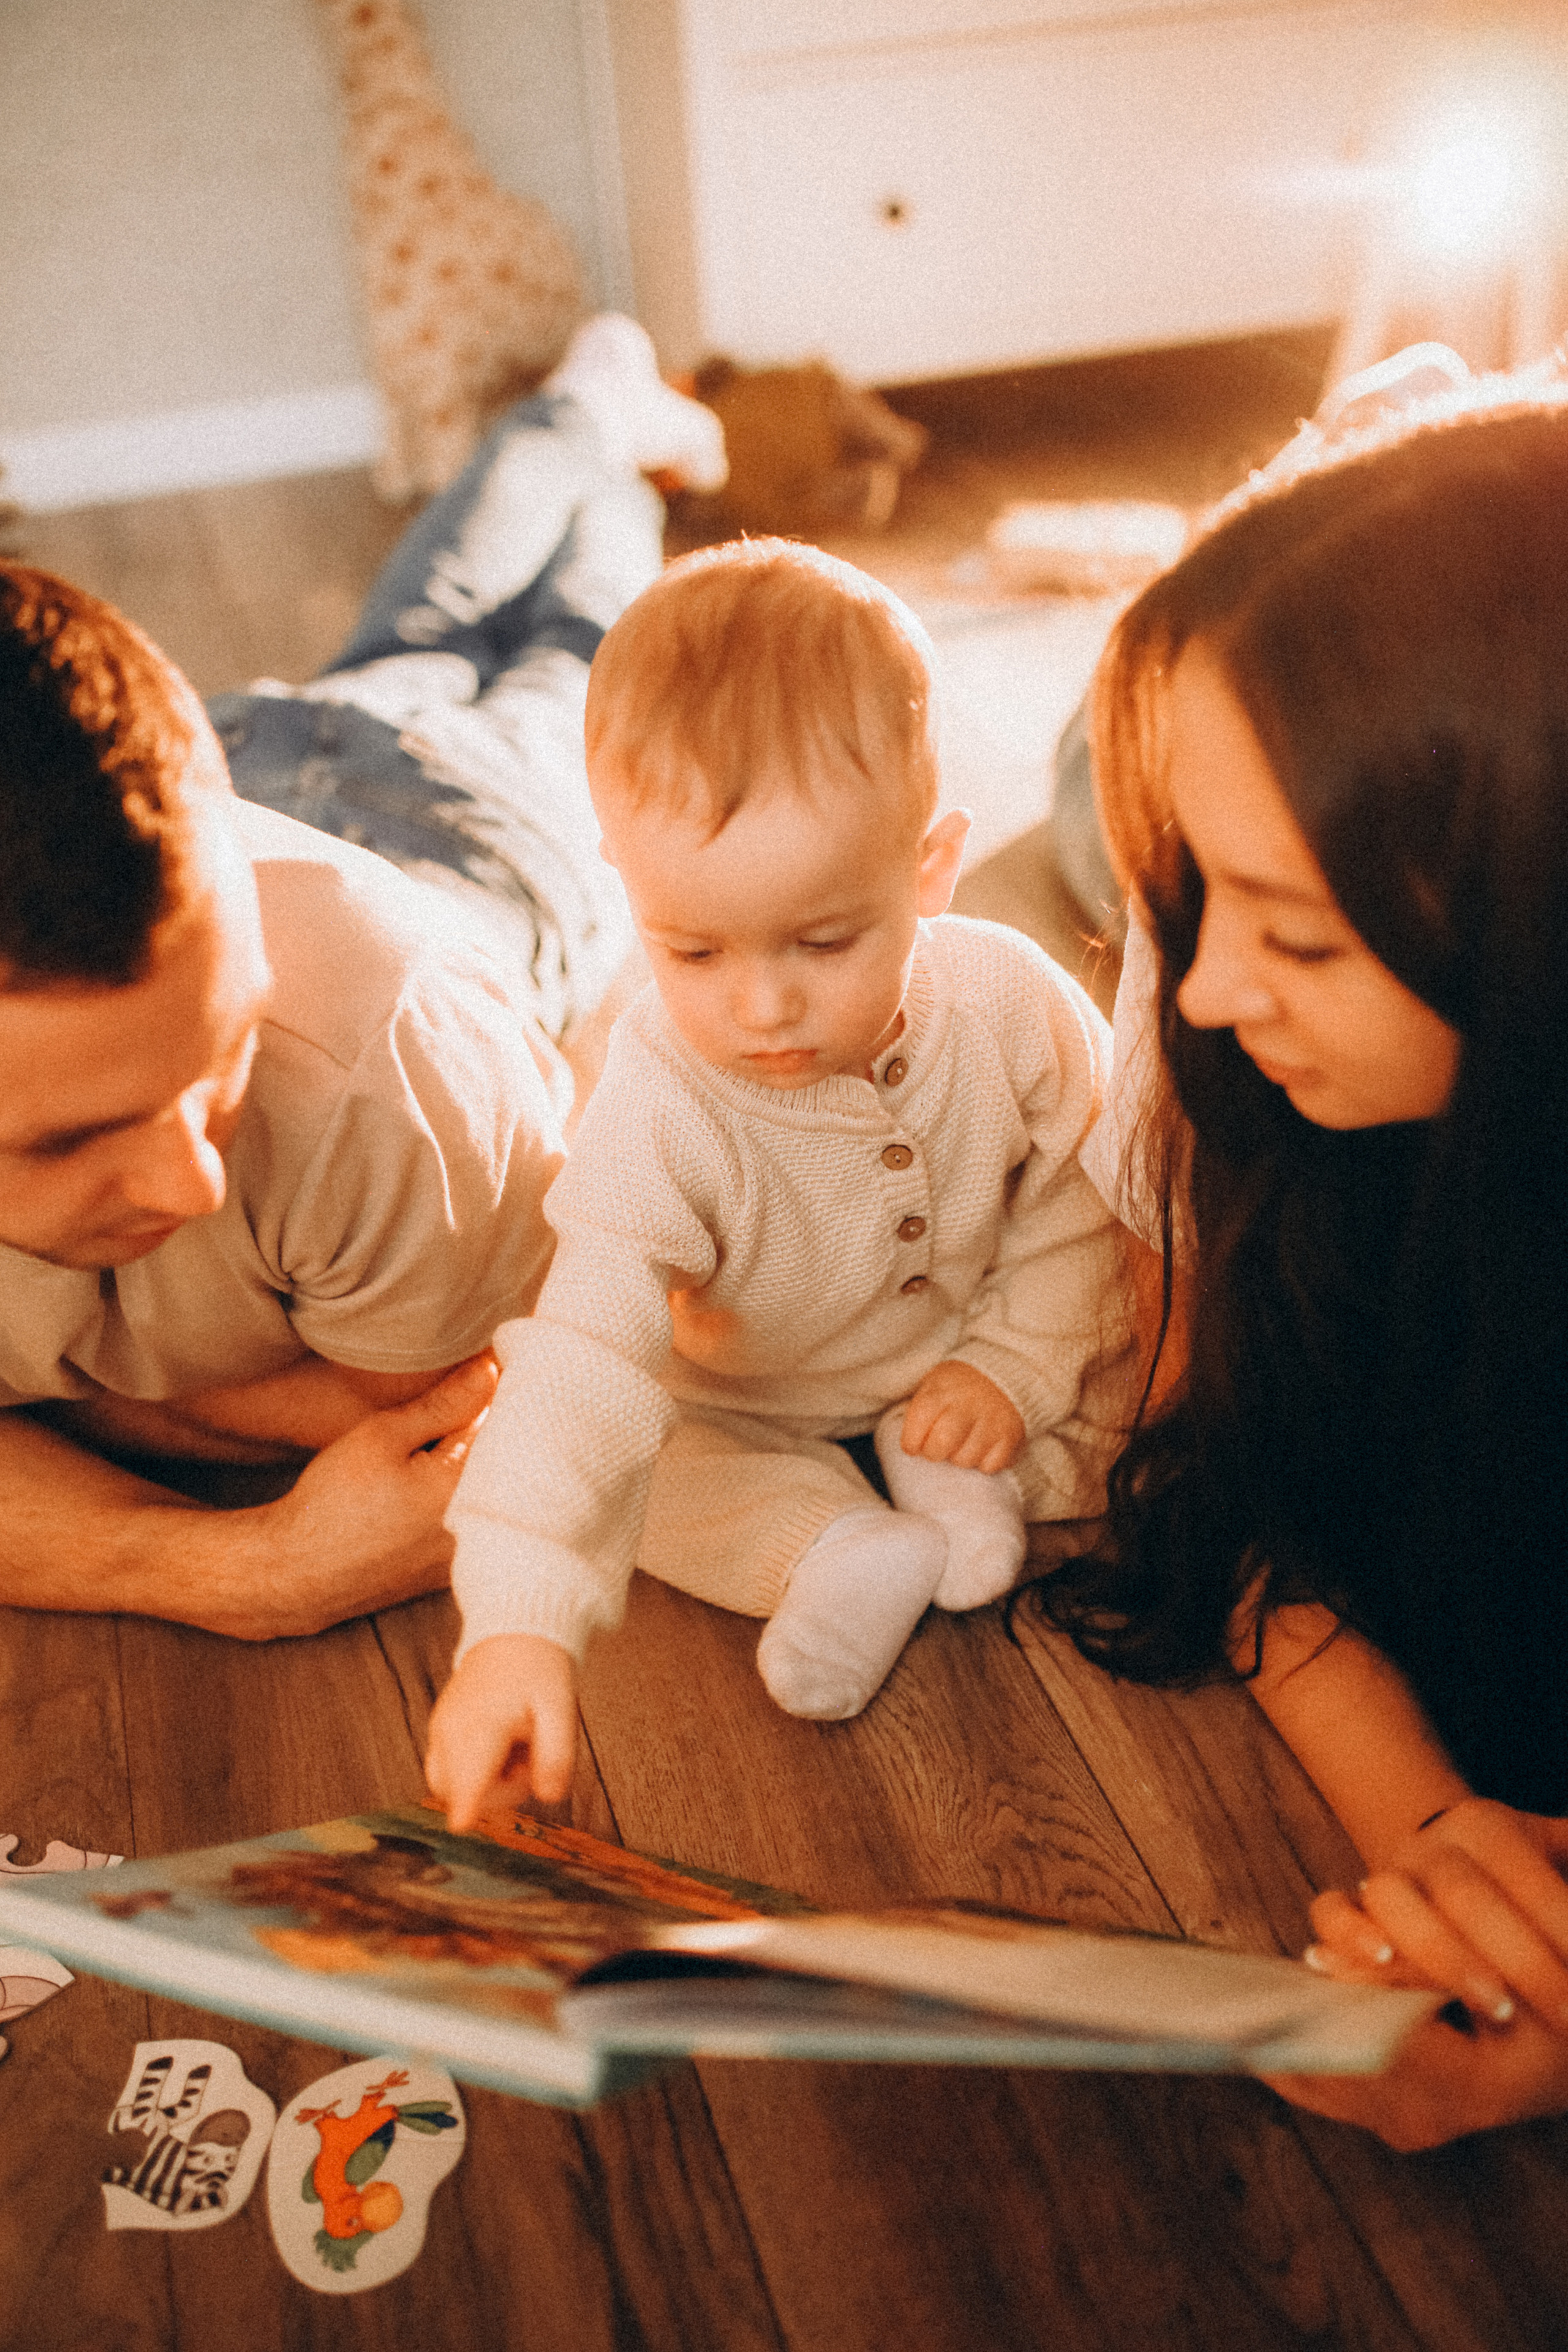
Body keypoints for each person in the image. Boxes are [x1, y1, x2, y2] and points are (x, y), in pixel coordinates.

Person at [0, 317, 726, 1640]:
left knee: (576, 655)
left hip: (468, 835)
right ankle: (577, 415)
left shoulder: (399, 1076)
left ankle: (600, 435)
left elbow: (429, 1405)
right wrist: (234, 1565)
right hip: (248, 754)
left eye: (217, 1057)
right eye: (67, 1138)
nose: (191, 1182)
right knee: (420, 630)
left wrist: (70, 1398)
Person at [1041, 386, 1568, 2147]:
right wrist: (1430, 1833)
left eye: (1299, 935)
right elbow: (1221, 1475)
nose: (1210, 992)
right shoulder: (1207, 1000)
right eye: (1206, 907)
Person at [424, 538, 1137, 1828]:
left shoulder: (1007, 999)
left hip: (957, 1344)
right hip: (738, 1401)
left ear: (928, 864)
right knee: (641, 1485)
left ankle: (961, 1460)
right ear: (625, 888)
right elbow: (584, 1357)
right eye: (690, 949)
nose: (761, 1007)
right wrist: (516, 1626)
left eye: (824, 940)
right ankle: (836, 1545)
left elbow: (1084, 1196)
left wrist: (1013, 1366)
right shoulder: (656, 1105)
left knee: (1121, 1394)